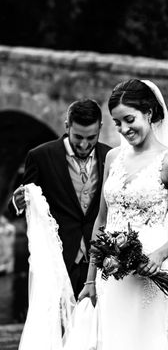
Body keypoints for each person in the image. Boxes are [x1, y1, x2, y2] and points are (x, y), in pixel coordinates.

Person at [77, 79, 168, 350]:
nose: (124, 129)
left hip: (149, 269)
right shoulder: (112, 158)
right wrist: (91, 279)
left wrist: (160, 254)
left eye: (129, 119)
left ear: (149, 114)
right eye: (117, 123)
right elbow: (102, 222)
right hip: (111, 274)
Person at [8, 99, 111, 298]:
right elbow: (22, 204)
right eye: (78, 136)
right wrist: (17, 203)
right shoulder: (40, 156)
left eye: (91, 137)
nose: (84, 144)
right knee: (62, 325)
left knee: (96, 326)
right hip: (58, 261)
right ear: (67, 126)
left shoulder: (112, 156)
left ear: (100, 128)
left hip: (100, 262)